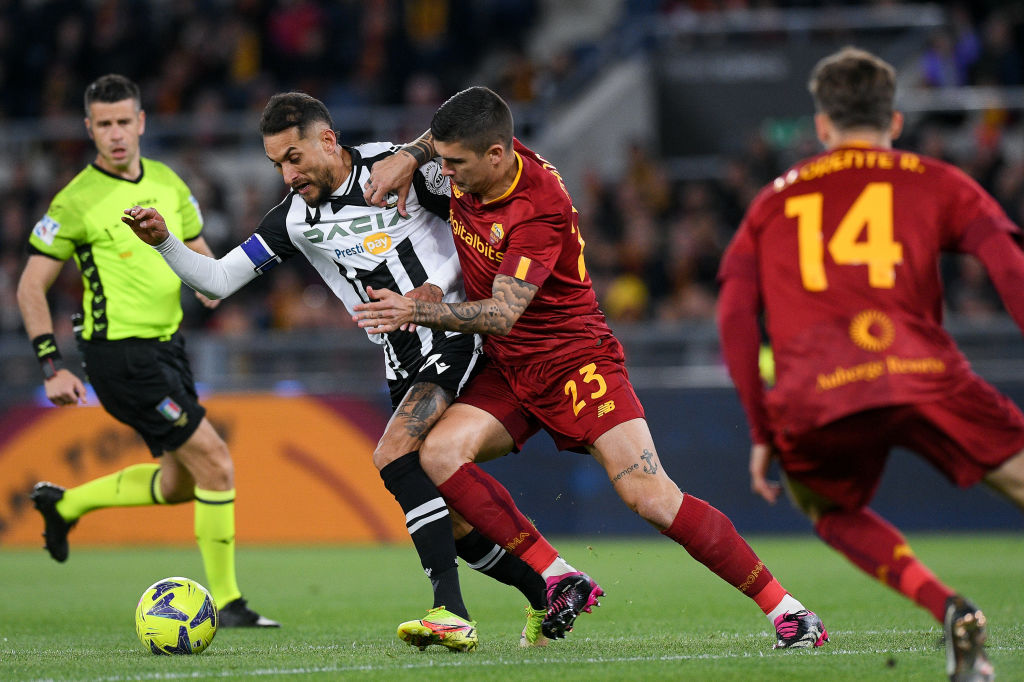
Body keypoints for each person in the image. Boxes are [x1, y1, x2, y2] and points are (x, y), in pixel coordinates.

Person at [356, 85, 828, 649]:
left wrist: (416, 308)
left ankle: (789, 611)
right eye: (444, 158)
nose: (447, 173)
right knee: (435, 454)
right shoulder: (478, 154)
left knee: (651, 499)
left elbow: (504, 313)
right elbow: (444, 137)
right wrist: (412, 154)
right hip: (510, 369)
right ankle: (560, 578)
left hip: (575, 362)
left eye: (455, 163)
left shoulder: (538, 208)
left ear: (497, 156)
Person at [122, 91, 552, 651]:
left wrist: (433, 287)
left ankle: (451, 611)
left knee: (393, 455)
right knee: (453, 522)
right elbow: (219, 281)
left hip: (452, 335)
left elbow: (477, 228)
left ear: (328, 140)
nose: (287, 174)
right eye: (277, 164)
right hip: (402, 363)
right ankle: (547, 592)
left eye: (293, 158)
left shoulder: (396, 168)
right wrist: (165, 244)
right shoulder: (295, 219)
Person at [716, 47, 1024, 682]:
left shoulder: (772, 203)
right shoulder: (937, 181)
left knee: (824, 504)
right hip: (924, 373)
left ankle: (951, 609)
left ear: (822, 127)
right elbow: (1008, 265)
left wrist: (761, 429)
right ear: (897, 122)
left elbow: (734, 317)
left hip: (815, 391)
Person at [16, 74, 277, 627]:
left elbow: (207, 271)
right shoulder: (75, 200)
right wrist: (50, 365)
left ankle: (65, 505)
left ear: (141, 122)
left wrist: (225, 285)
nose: (115, 134)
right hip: (120, 357)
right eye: (103, 124)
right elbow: (29, 286)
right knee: (215, 462)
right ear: (89, 129)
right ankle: (229, 606)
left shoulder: (168, 182)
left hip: (168, 351)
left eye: (123, 122)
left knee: (183, 482)